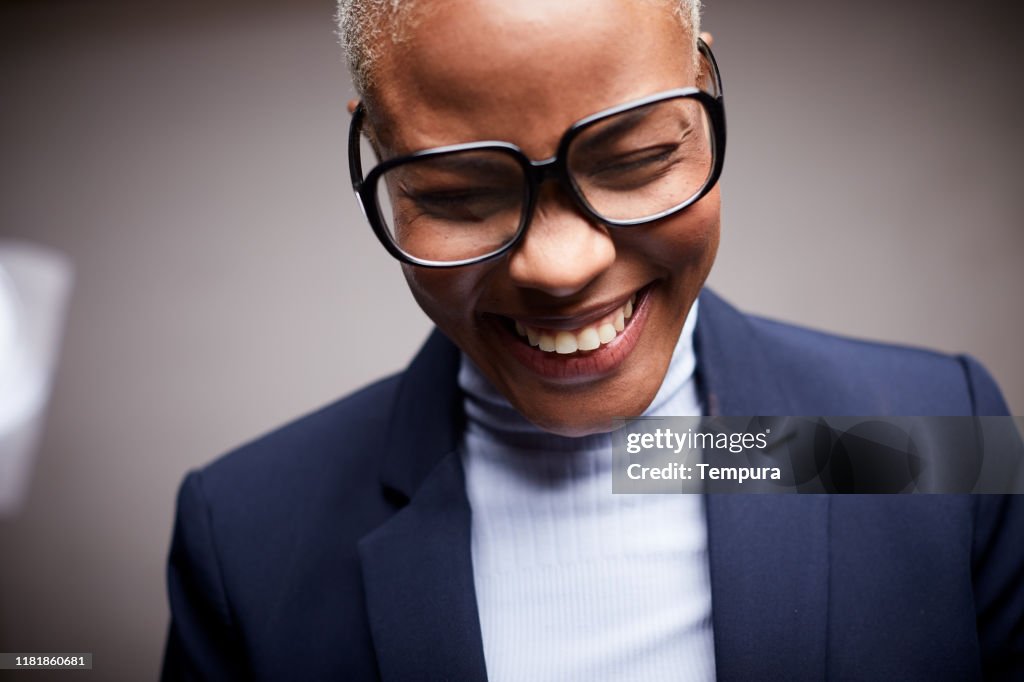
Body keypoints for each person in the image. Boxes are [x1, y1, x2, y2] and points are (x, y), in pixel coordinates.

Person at [161, 0, 1023, 679]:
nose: (560, 265)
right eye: (462, 193)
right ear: (376, 147)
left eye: (634, 158)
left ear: (704, 85)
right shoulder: (244, 538)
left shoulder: (922, 438)